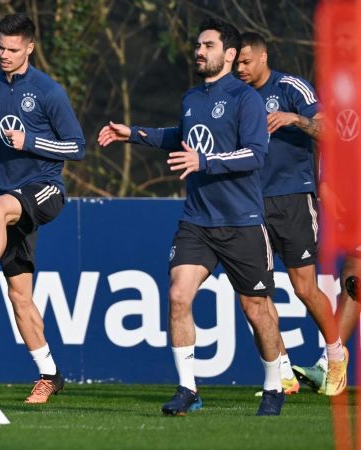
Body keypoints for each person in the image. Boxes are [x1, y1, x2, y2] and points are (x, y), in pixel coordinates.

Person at [98, 18, 285, 416]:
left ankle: (273, 387)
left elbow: (255, 154)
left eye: (208, 45)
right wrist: (133, 133)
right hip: (197, 220)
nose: (199, 51)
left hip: (242, 221)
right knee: (178, 295)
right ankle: (187, 389)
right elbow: (179, 136)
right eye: (198, 45)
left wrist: (206, 160)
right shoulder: (191, 98)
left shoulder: (246, 99)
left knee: (256, 310)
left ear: (229, 54)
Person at [0, 13, 85, 404]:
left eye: (12, 49)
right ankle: (49, 374)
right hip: (12, 202)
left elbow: (77, 147)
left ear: (29, 48)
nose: (4, 54)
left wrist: (31, 142)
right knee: (20, 298)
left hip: (45, 190)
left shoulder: (48, 91)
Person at [236, 32, 347, 396]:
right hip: (250, 202)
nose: (241, 69)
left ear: (264, 56)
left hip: (293, 198)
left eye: (247, 62)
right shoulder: (234, 95)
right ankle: (281, 372)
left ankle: (335, 356)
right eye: (236, 62)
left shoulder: (290, 87)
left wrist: (294, 119)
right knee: (253, 295)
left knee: (304, 287)